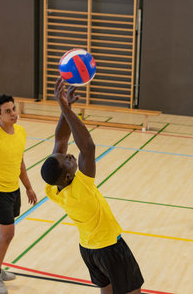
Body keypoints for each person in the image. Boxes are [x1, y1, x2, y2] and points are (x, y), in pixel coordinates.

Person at [40, 77, 144, 294]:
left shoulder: (52, 188)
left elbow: (61, 139)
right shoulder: (82, 190)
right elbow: (88, 146)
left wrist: (65, 108)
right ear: (68, 176)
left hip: (88, 250)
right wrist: (65, 108)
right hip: (110, 249)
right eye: (68, 160)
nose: (69, 155)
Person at [0, 94, 38, 294]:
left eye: (13, 109)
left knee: (2, 232)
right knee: (8, 232)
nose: (14, 114)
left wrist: (28, 187)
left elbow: (20, 162)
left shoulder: (20, 132)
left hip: (13, 189)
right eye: (8, 111)